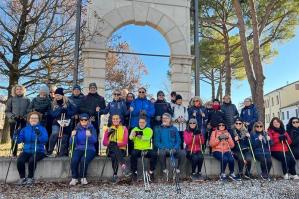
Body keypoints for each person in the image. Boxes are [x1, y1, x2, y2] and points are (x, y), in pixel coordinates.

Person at [14, 111, 48, 185]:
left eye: (36, 118)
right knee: (20, 160)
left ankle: (30, 177)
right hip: (27, 150)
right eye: (32, 118)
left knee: (32, 160)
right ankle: (22, 178)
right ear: (29, 119)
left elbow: (45, 140)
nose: (34, 119)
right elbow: (19, 141)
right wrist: (16, 135)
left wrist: (39, 134)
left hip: (39, 150)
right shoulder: (25, 129)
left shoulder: (42, 129)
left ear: (39, 119)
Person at [154, 113, 184, 181]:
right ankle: (164, 170)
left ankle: (177, 170)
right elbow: (156, 142)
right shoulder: (158, 128)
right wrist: (164, 148)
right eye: (163, 118)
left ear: (170, 119)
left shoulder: (174, 128)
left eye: (166, 118)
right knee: (161, 153)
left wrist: (175, 148)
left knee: (183, 153)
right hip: (164, 149)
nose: (164, 119)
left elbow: (178, 140)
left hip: (174, 149)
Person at [69, 113, 97, 186]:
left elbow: (95, 141)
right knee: (74, 160)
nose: (83, 121)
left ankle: (83, 177)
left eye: (85, 120)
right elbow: (72, 142)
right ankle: (74, 178)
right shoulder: (76, 129)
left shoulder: (92, 128)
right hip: (78, 148)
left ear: (88, 120)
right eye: (82, 120)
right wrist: (72, 136)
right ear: (80, 120)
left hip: (89, 148)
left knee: (84, 159)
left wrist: (90, 136)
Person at [103, 114, 131, 183]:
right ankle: (124, 166)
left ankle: (115, 175)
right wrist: (114, 142)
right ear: (112, 120)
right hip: (110, 150)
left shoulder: (124, 128)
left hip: (121, 149)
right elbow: (104, 142)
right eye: (114, 119)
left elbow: (125, 142)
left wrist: (114, 143)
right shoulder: (109, 129)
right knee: (113, 147)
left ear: (119, 120)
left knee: (114, 154)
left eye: (117, 119)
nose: (115, 120)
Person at [80, 83, 106, 155]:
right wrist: (89, 111)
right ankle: (85, 150)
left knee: (95, 135)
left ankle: (95, 151)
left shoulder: (101, 98)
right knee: (85, 134)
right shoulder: (84, 98)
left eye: (94, 87)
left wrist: (99, 111)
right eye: (91, 87)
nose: (92, 89)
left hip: (96, 119)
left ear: (96, 88)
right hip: (86, 120)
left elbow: (104, 110)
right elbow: (81, 108)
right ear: (89, 89)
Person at [48, 88, 75, 157]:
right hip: (56, 122)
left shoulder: (68, 102)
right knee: (55, 133)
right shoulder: (53, 103)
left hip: (66, 122)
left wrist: (67, 110)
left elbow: (73, 111)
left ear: (62, 95)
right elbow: (52, 114)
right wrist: (60, 110)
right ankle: (50, 150)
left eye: (59, 95)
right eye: (56, 95)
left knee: (64, 137)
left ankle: (62, 153)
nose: (57, 96)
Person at [5, 85, 30, 157]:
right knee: (14, 136)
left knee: (25, 136)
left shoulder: (27, 99)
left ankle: (25, 152)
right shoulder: (11, 99)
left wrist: (25, 117)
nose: (19, 90)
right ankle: (14, 153)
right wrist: (13, 117)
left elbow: (29, 110)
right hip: (14, 121)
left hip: (24, 120)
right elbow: (7, 111)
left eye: (20, 89)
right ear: (15, 91)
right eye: (17, 89)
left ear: (23, 90)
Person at [130, 117, 157, 181]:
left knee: (154, 154)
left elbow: (148, 138)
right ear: (138, 123)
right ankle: (134, 172)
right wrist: (133, 135)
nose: (141, 124)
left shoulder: (149, 129)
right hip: (137, 149)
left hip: (146, 149)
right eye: (140, 122)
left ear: (146, 123)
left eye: (143, 122)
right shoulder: (134, 129)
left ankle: (151, 172)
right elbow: (130, 138)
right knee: (133, 153)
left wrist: (141, 137)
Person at [28, 85, 52, 151]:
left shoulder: (49, 101)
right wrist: (34, 112)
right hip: (35, 119)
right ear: (40, 92)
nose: (43, 93)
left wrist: (44, 114)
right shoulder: (34, 100)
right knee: (35, 134)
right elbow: (29, 109)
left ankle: (47, 150)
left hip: (45, 120)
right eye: (42, 91)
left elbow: (50, 110)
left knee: (45, 134)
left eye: (44, 91)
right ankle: (34, 148)